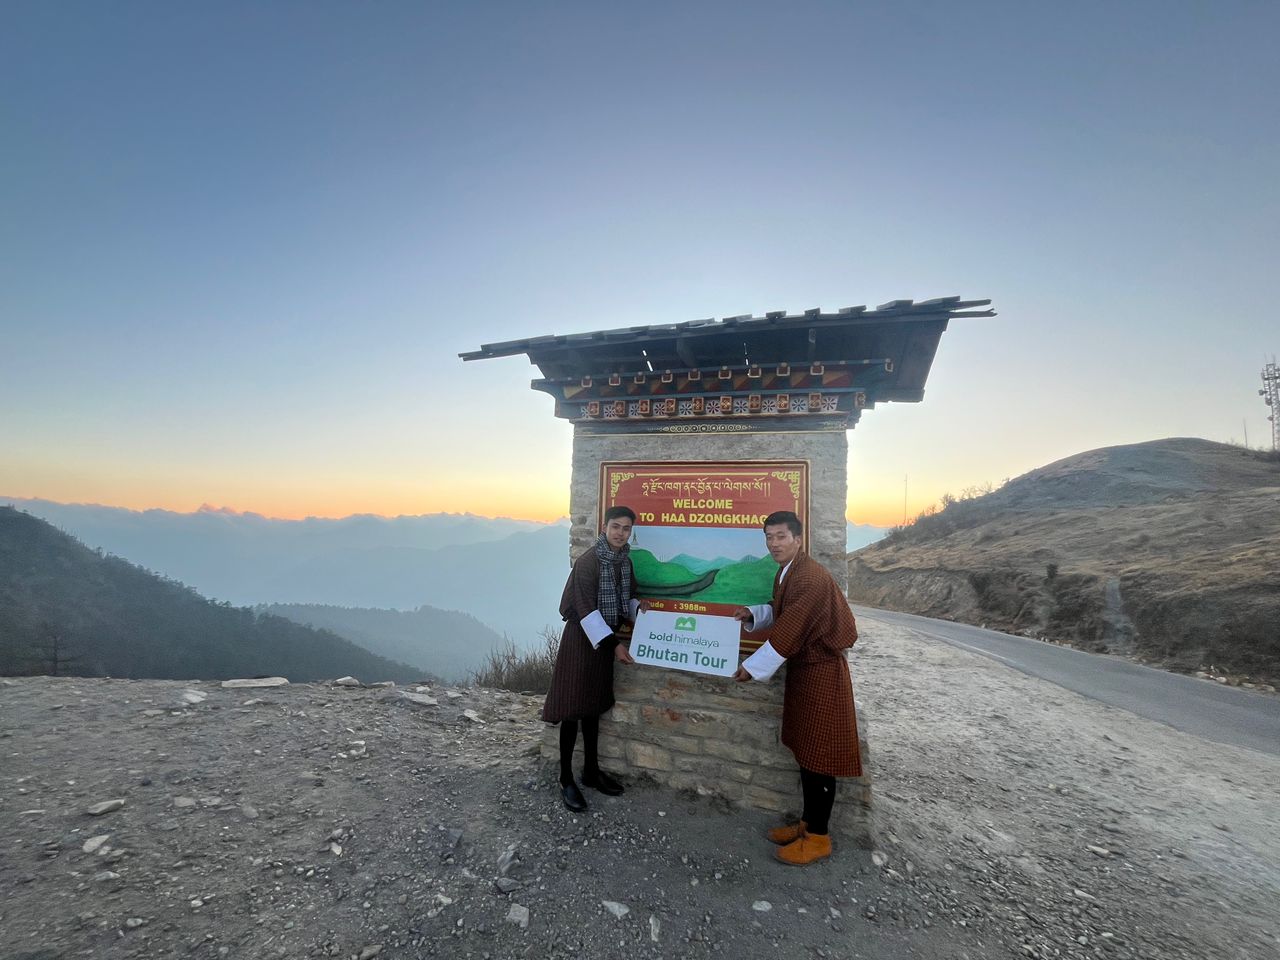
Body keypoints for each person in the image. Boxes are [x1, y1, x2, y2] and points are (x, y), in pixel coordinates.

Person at [732, 510, 861, 866]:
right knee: (807, 751)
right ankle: (807, 823)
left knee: (820, 755)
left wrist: (750, 668)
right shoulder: (789, 571)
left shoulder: (809, 578)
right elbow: (783, 611)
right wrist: (753, 615)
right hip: (807, 672)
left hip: (823, 673)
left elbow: (788, 633)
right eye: (769, 538)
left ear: (798, 539)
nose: (774, 543)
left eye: (781, 537)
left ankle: (819, 837)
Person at [542, 505, 648, 812]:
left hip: (603, 642)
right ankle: (565, 778)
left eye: (626, 529)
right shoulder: (588, 562)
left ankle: (590, 770)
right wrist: (615, 645)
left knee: (593, 707)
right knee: (573, 708)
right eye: (616, 526)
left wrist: (640, 612)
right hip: (580, 641)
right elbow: (586, 610)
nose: (620, 533)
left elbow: (628, 597)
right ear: (604, 526)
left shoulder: (624, 562)